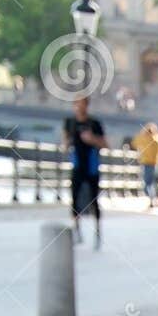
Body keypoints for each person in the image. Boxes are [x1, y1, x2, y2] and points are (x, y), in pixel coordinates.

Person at [63, 95, 106, 249]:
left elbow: (104, 144)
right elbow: (65, 143)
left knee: (94, 201)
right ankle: (78, 232)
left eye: (82, 104)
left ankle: (98, 232)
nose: (79, 107)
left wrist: (92, 139)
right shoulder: (70, 123)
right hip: (77, 166)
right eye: (76, 104)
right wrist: (67, 143)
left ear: (87, 106)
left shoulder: (94, 123)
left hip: (92, 167)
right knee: (74, 199)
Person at [131, 121, 158, 208]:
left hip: (147, 163)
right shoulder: (157, 139)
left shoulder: (143, 138)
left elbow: (134, 143)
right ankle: (153, 198)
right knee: (152, 182)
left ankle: (151, 198)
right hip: (155, 164)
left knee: (147, 183)